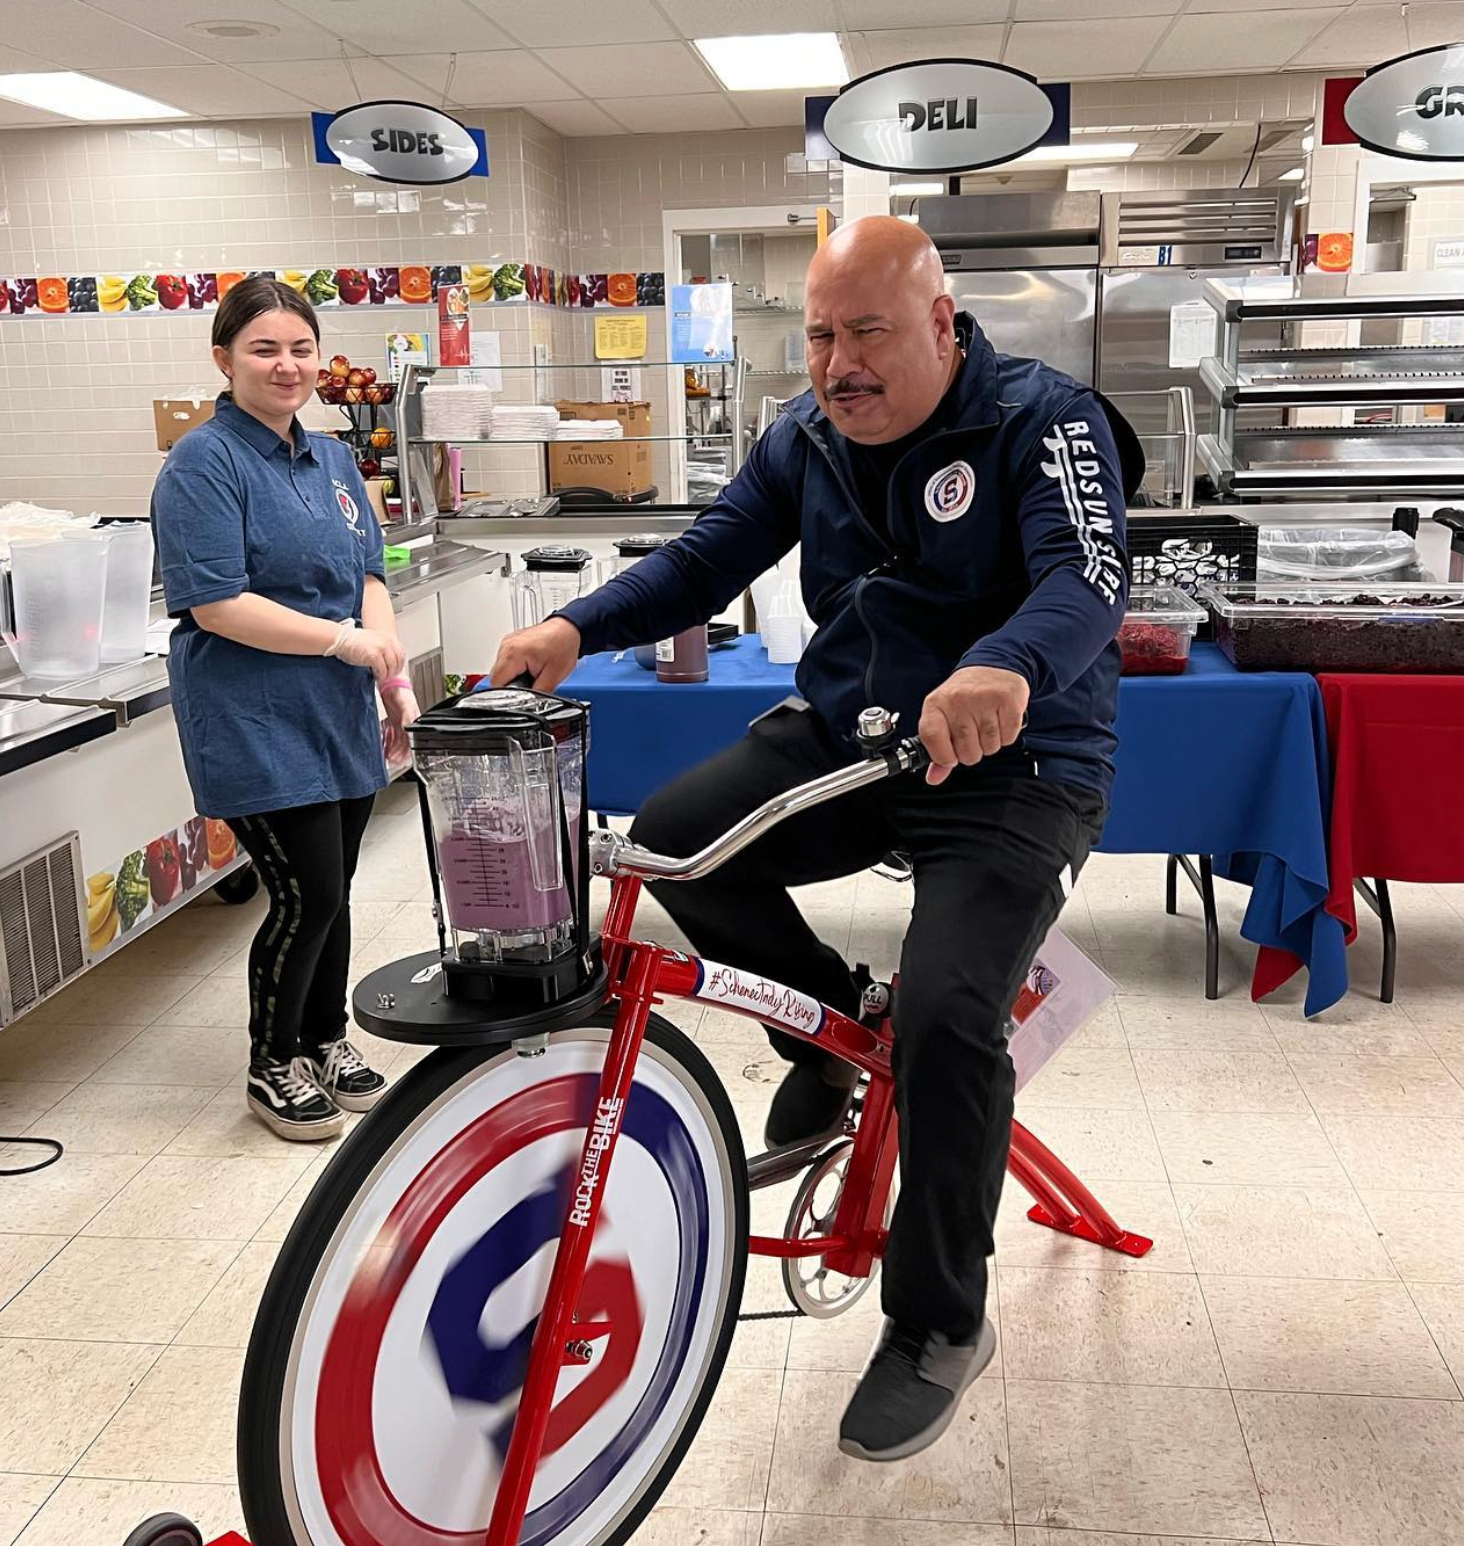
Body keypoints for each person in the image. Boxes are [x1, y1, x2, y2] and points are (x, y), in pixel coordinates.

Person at [490, 216, 1141, 1461]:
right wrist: (573, 626)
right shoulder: (806, 435)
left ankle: (941, 1320)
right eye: (823, 335)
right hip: (859, 729)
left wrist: (1004, 662)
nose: (840, 363)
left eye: (869, 332)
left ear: (944, 325)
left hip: (1020, 760)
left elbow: (1086, 579)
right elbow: (702, 560)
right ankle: (843, 1020)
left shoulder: (1042, 421)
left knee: (954, 1012)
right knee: (679, 842)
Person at [152, 276, 418, 1142]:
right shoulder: (203, 463)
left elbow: (370, 575)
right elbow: (215, 604)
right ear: (224, 359)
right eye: (264, 349)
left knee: (334, 889)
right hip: (253, 713)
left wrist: (388, 670)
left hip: (335, 709)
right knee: (304, 893)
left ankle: (325, 1038)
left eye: (300, 348)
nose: (286, 364)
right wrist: (343, 644)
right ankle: (274, 1062)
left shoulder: (335, 459)